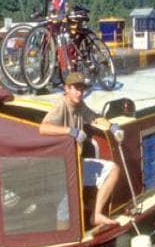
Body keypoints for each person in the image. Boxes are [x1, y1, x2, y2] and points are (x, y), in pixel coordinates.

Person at [40, 72, 123, 227]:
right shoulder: (61, 105)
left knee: (113, 170)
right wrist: (70, 131)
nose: (79, 92)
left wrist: (112, 126)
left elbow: (93, 116)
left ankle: (96, 215)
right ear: (66, 89)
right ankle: (62, 242)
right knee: (65, 208)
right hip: (61, 168)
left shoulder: (79, 104)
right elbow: (43, 128)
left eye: (82, 89)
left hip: (76, 163)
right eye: (75, 88)